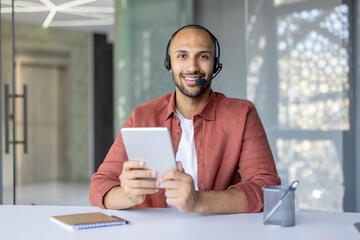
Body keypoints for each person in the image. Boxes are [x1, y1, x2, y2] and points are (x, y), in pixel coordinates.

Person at [89, 24, 280, 214]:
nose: (192, 67)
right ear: (169, 63)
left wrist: (198, 201)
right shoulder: (142, 116)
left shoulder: (242, 114)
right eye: (182, 56)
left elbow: (267, 188)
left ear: (215, 64)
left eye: (203, 56)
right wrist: (128, 195)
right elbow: (99, 186)